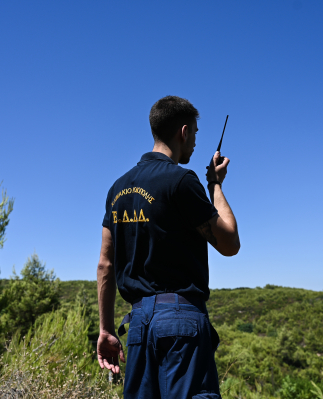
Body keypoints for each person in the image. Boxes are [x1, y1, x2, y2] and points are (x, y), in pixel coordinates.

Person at [96, 95, 240, 398]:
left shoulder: (117, 189)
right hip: (181, 319)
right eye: (196, 134)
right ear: (184, 132)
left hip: (137, 326)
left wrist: (106, 329)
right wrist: (215, 185)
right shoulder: (181, 181)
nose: (196, 143)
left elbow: (105, 265)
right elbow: (229, 243)